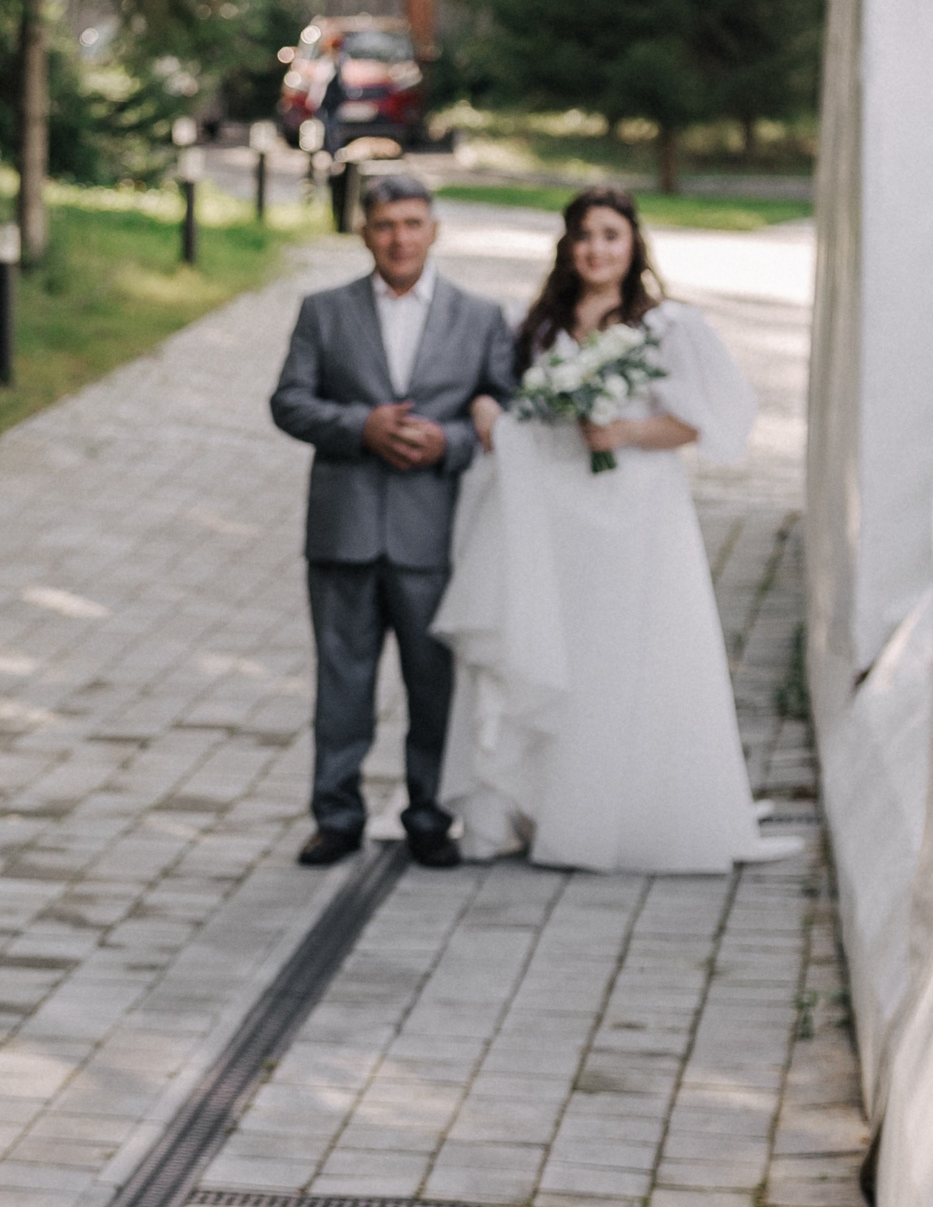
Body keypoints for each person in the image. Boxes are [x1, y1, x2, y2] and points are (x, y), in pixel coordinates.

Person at [437, 186, 802, 871]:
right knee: (564, 649)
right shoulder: (538, 324)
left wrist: (625, 428)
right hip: (555, 511)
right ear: (566, 247)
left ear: (632, 244)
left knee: (628, 654)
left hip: (634, 511)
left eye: (609, 235)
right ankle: (551, 803)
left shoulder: (666, 326)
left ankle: (630, 811)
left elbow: (704, 421)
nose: (595, 249)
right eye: (583, 236)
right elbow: (512, 398)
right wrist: (491, 409)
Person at [270, 173, 517, 870]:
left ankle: (430, 815)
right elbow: (289, 401)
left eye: (412, 223)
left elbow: (506, 407)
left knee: (433, 682)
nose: (399, 237)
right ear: (364, 232)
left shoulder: (480, 316)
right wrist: (360, 425)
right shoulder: (324, 311)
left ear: (434, 230)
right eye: (385, 225)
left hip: (434, 529)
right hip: (343, 527)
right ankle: (337, 815)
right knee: (341, 679)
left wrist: (450, 443)